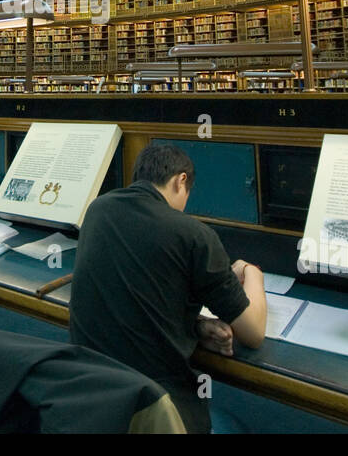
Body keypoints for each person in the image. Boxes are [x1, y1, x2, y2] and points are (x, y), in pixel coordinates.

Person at [69, 142, 268, 433]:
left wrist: (196, 326)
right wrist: (253, 273)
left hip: (89, 404)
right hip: (157, 414)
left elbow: (133, 296)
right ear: (181, 180)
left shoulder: (98, 210)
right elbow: (253, 333)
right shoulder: (193, 234)